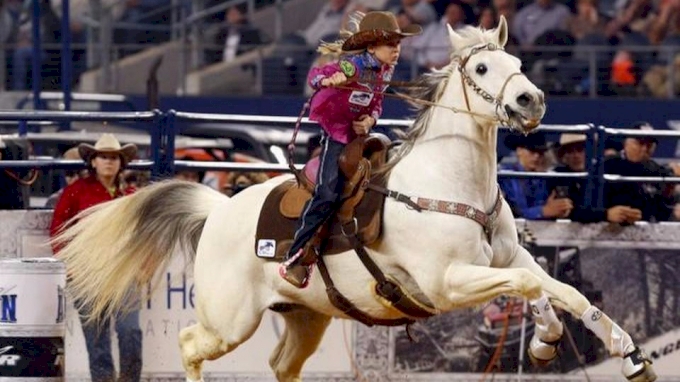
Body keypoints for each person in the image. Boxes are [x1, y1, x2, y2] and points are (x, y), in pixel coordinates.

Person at [279, 10, 422, 288]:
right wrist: (326, 81)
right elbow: (316, 76)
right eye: (391, 44)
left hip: (358, 133)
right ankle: (295, 254)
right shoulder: (353, 66)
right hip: (337, 132)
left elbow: (377, 103)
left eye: (398, 44)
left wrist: (370, 120)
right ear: (372, 47)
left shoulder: (385, 70)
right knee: (328, 192)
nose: (396, 50)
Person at [50, 133, 142, 382]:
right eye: (104, 157)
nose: (109, 162)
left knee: (130, 330)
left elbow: (140, 235)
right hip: (88, 274)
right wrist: (69, 264)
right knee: (97, 339)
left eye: (114, 157)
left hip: (122, 271)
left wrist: (143, 266)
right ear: (93, 161)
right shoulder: (76, 192)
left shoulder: (131, 196)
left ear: (121, 163)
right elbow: (58, 228)